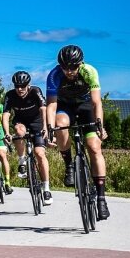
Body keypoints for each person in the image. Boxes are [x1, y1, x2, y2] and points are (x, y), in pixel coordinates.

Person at [46, 44, 109, 219]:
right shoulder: (54, 75)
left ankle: (101, 198)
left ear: (80, 64)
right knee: (61, 123)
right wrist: (50, 129)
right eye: (65, 67)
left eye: (73, 67)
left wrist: (99, 126)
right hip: (65, 107)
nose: (69, 71)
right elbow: (51, 105)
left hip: (86, 106)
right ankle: (69, 166)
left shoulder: (89, 71)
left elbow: (97, 103)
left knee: (94, 147)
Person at [2, 71, 52, 205]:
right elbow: (6, 115)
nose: (19, 89)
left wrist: (45, 128)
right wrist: (7, 132)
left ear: (28, 85)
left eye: (23, 86)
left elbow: (43, 109)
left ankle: (46, 188)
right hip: (21, 122)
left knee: (40, 154)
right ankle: (22, 161)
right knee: (18, 132)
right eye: (17, 86)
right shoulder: (10, 95)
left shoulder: (35, 91)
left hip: (37, 123)